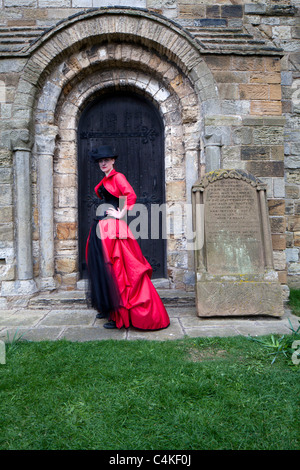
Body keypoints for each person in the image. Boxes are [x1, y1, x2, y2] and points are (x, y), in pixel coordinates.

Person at [85, 145, 170, 330]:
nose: (103, 163)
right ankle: (110, 308)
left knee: (119, 270)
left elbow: (130, 196)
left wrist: (120, 214)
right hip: (103, 227)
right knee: (106, 269)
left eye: (106, 160)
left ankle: (120, 315)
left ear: (113, 161)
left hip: (112, 228)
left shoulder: (118, 177)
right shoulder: (107, 179)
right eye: (100, 161)